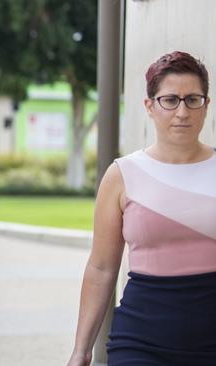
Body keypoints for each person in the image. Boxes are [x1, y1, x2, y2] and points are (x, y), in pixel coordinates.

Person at [68, 51, 216, 366]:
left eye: (193, 99)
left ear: (207, 104)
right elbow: (102, 268)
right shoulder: (122, 174)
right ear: (149, 106)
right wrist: (81, 351)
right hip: (141, 340)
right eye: (170, 100)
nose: (182, 111)